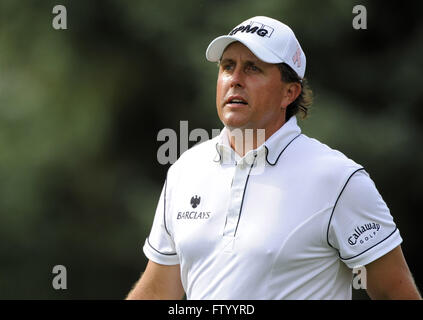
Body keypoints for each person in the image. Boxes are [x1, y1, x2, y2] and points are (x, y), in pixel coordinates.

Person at [126, 16, 421, 300]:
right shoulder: (185, 171)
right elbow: (158, 291)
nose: (235, 80)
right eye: (228, 66)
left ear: (289, 92)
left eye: (253, 68)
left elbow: (394, 293)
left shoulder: (339, 180)